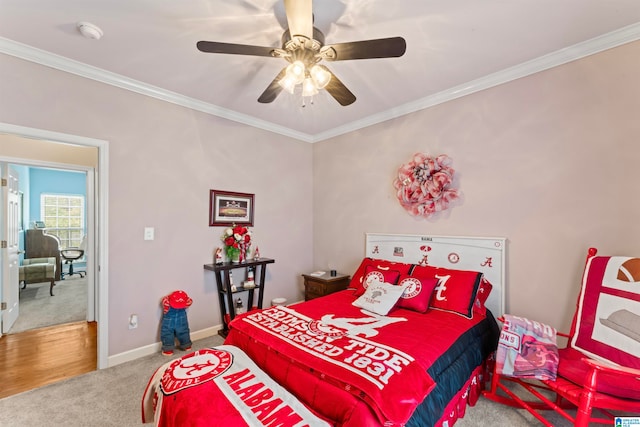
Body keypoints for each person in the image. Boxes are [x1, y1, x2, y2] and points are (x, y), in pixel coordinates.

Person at [160, 290, 193, 356]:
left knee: (167, 333)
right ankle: (186, 346)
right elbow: (190, 301)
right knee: (183, 331)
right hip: (179, 320)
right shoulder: (185, 303)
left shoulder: (167, 303)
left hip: (171, 321)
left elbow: (164, 301)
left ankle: (169, 350)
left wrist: (168, 298)